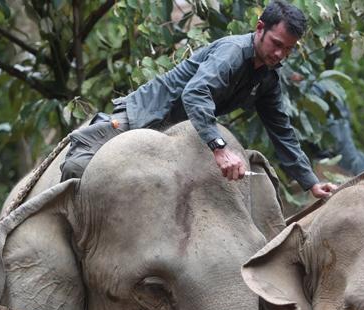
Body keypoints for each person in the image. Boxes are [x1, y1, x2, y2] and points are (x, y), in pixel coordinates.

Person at [60, 0, 337, 198]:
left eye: (287, 50)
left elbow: (282, 131)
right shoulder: (231, 52)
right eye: (276, 44)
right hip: (145, 116)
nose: (279, 55)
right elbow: (195, 92)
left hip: (181, 135)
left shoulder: (267, 77)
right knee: (77, 164)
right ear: (260, 27)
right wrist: (219, 147)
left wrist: (310, 182)